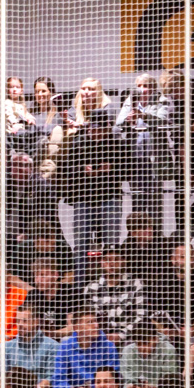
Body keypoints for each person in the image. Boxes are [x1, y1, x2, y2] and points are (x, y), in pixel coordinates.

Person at [61, 109, 129, 287]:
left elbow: (129, 169)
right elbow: (67, 169)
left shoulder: (117, 143)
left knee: (111, 243)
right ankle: (80, 286)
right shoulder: (79, 142)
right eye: (94, 129)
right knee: (81, 243)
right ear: (89, 127)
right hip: (84, 198)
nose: (96, 132)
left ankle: (110, 284)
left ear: (107, 128)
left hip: (110, 197)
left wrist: (111, 169)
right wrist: (83, 170)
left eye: (100, 129)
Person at [116, 73, 173, 227]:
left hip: (153, 159)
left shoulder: (162, 101)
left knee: (154, 202)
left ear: (154, 89)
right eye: (139, 86)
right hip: (135, 160)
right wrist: (129, 118)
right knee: (137, 202)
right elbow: (118, 123)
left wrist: (143, 115)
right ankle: (135, 237)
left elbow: (161, 120)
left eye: (146, 86)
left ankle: (156, 238)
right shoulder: (130, 101)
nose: (142, 90)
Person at [51, 308, 119, 388]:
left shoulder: (108, 347)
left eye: (95, 321)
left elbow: (115, 379)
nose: (96, 325)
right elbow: (58, 379)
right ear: (77, 328)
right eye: (89, 322)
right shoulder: (66, 346)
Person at [84, 244, 146, 345]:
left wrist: (120, 335)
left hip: (128, 339)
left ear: (123, 261)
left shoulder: (135, 284)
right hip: (98, 338)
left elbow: (141, 316)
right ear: (102, 262)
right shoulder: (91, 288)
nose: (112, 263)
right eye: (107, 259)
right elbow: (86, 318)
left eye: (116, 259)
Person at [0, 303, 58, 384]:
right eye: (18, 321)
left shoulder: (52, 346)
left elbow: (51, 376)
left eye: (25, 321)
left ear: (36, 322)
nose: (20, 324)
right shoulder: (7, 347)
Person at [120, 324, 177, 388]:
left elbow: (171, 384)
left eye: (146, 343)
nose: (142, 348)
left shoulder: (168, 350)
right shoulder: (127, 351)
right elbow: (125, 381)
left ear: (155, 339)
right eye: (138, 344)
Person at [24, 256, 75, 340]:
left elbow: (72, 328)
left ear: (56, 275)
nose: (38, 280)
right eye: (36, 276)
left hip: (64, 341)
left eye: (43, 275)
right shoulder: (32, 295)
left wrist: (51, 334)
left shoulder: (70, 293)